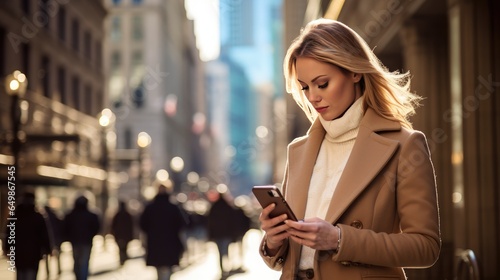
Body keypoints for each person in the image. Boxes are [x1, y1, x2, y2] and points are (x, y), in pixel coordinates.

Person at [258, 18, 441, 280]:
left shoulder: (403, 145)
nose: (312, 97)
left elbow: (426, 247)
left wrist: (340, 239)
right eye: (305, 87)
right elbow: (284, 259)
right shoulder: (298, 151)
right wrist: (274, 240)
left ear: (354, 72)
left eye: (322, 84)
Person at [139, 185, 187, 280]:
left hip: (155, 243)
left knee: (159, 267)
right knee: (168, 266)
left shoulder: (150, 208)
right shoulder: (173, 208)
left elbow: (142, 225)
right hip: (171, 242)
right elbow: (182, 224)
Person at [3, 191, 51, 280]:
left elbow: (9, 233)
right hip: (34, 253)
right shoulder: (38, 217)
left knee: (20, 274)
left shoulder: (15, 216)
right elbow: (44, 235)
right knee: (31, 275)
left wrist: (6, 248)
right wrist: (48, 249)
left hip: (19, 252)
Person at [63, 195, 101, 280]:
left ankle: (79, 277)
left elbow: (65, 227)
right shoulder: (91, 215)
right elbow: (96, 228)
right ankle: (83, 277)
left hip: (75, 241)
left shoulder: (70, 215)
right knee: (84, 262)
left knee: (76, 261)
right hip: (86, 241)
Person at [207, 192, 236, 279]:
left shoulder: (214, 207)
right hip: (226, 234)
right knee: (226, 250)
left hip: (217, 234)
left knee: (220, 252)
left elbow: (210, 222)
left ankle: (222, 268)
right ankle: (226, 268)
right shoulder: (228, 207)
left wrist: (211, 235)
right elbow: (232, 222)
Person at [111, 200, 134, 266]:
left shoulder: (117, 215)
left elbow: (113, 225)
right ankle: (123, 258)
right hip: (125, 235)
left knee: (121, 248)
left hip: (119, 235)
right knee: (124, 247)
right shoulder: (128, 214)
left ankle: (122, 258)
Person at [44, 205, 64, 276]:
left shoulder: (42, 217)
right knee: (57, 255)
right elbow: (61, 226)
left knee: (46, 257)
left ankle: (48, 272)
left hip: (47, 239)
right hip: (56, 238)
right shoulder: (55, 216)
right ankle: (59, 269)